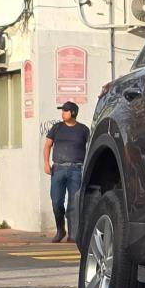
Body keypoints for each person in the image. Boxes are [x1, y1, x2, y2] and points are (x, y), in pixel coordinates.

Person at [43, 101, 89, 243]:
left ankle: (73, 234)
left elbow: (91, 147)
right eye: (62, 110)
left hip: (76, 169)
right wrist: (46, 163)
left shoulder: (83, 129)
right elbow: (47, 146)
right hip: (58, 169)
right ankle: (60, 230)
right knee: (57, 201)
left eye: (65, 111)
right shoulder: (57, 128)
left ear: (73, 113)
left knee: (73, 204)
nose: (62, 113)